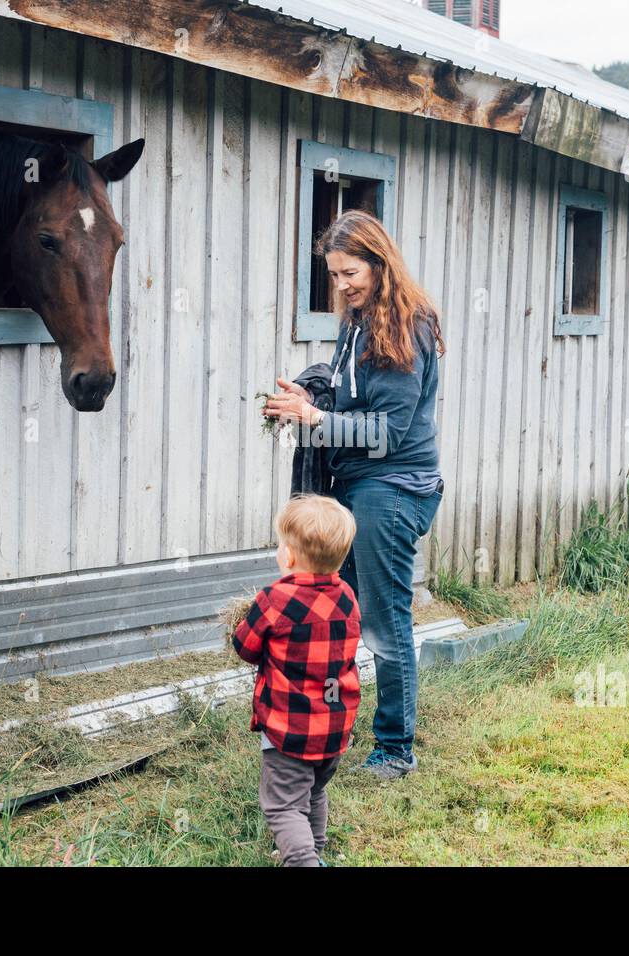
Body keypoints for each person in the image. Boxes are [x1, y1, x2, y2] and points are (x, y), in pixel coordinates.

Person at [264, 209, 446, 781]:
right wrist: (309, 397)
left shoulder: (407, 325)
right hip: (356, 485)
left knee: (385, 619)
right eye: (335, 276)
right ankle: (330, 724)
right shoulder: (359, 320)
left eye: (351, 273)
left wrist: (315, 416)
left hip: (392, 488)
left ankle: (395, 747)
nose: (342, 286)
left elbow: (387, 432)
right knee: (341, 611)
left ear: (378, 261)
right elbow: (351, 403)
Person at [231, 494, 361, 867]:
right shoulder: (348, 597)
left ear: (288, 557)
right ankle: (313, 850)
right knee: (314, 790)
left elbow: (244, 646)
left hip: (290, 728)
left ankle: (302, 859)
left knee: (284, 805)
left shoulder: (274, 599)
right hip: (335, 726)